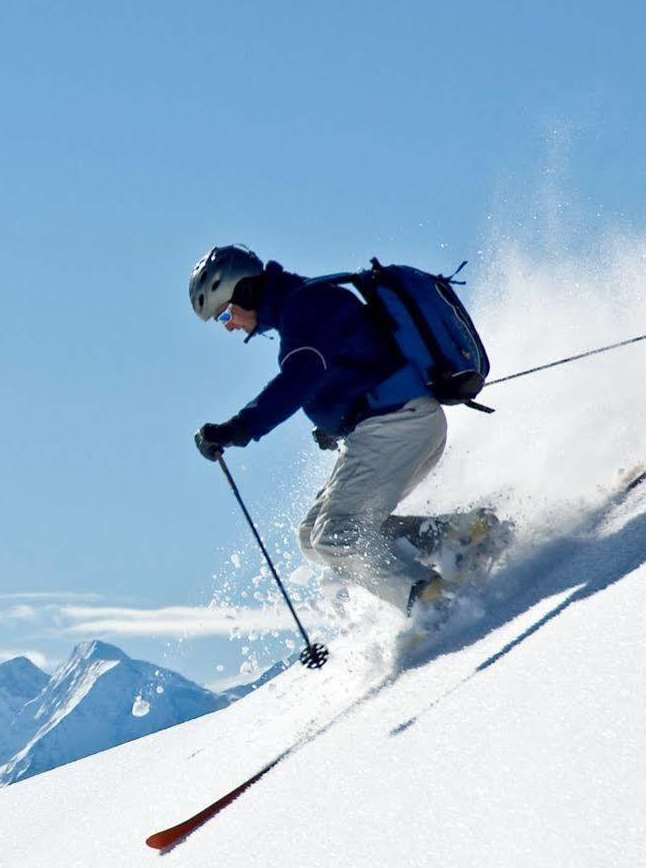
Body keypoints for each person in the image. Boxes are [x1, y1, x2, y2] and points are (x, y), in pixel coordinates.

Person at [188, 244, 496, 621]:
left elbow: (298, 380)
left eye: (224, 315)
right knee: (312, 537)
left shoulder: (306, 308)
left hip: (398, 423)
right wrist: (335, 421)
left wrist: (238, 428)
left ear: (244, 291)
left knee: (336, 537)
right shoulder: (303, 309)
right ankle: (461, 535)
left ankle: (436, 603)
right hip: (389, 425)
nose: (231, 326)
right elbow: (351, 364)